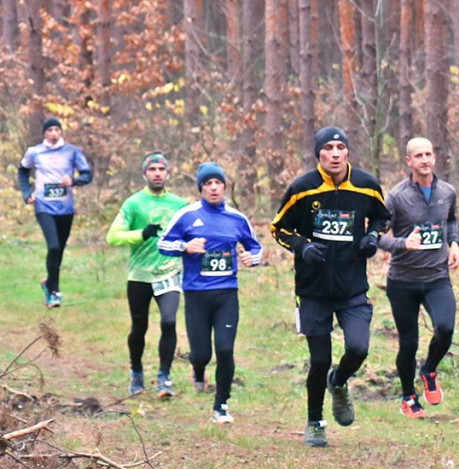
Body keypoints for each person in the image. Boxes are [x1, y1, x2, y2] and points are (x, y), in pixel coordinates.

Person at [269, 126, 391, 447]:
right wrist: (302, 247)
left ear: (348, 152)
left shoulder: (366, 185)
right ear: (318, 154)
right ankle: (315, 422)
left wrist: (372, 237)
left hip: (352, 287)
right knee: (319, 359)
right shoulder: (302, 189)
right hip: (313, 289)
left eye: (340, 147)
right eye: (328, 148)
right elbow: (278, 228)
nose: (335, 153)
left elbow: (382, 217)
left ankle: (338, 383)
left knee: (358, 349)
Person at [158, 162, 262, 424]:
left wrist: (252, 258)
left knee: (225, 350)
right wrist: (185, 246)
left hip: (226, 293)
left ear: (225, 186)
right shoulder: (187, 215)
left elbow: (256, 247)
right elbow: (163, 243)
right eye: (207, 184)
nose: (213, 188)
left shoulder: (237, 218)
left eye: (218, 183)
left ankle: (222, 405)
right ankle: (198, 368)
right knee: (202, 353)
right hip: (196, 294)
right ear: (201, 188)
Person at [378, 137, 459, 418]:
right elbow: (375, 235)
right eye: (419, 155)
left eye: (429, 154)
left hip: (437, 276)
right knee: (408, 343)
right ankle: (408, 397)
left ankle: (429, 370)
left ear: (434, 158)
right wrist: (402, 244)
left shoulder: (447, 192)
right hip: (403, 281)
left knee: (446, 329)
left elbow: (450, 220)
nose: (425, 160)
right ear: (409, 161)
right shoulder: (396, 196)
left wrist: (454, 243)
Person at [106, 152, 189, 397]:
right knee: (138, 327)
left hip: (169, 273)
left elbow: (191, 235)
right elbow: (113, 237)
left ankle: (164, 376)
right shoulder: (134, 203)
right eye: (152, 169)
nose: (157, 173)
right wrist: (141, 234)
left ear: (168, 173)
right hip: (140, 276)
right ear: (144, 174)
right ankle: (137, 372)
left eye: (161, 169)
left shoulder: (179, 204)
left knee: (169, 321)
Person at [17, 116, 93, 308]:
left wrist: (73, 180)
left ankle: (49, 283)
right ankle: (54, 292)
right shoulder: (35, 152)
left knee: (59, 250)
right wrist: (27, 194)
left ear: (61, 132)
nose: (53, 133)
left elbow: (87, 174)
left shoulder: (72, 152)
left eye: (56, 130)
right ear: (44, 133)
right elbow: (22, 171)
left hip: (65, 208)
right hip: (44, 206)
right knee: (53, 247)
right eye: (49, 130)